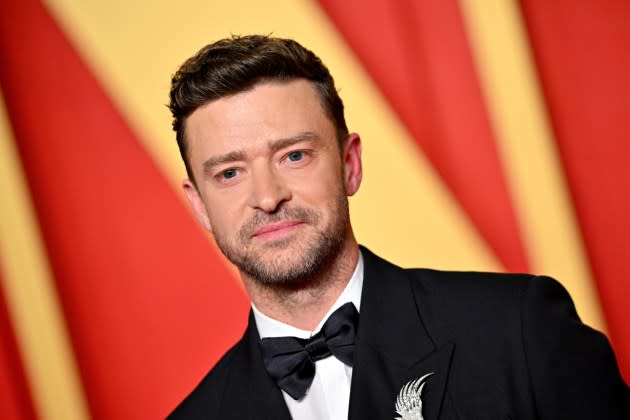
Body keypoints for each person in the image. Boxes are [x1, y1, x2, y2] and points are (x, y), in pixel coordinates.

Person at [167, 35, 629, 419]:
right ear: (201, 205)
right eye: (229, 173)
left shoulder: (520, 331)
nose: (268, 197)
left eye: (294, 156)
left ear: (350, 165)